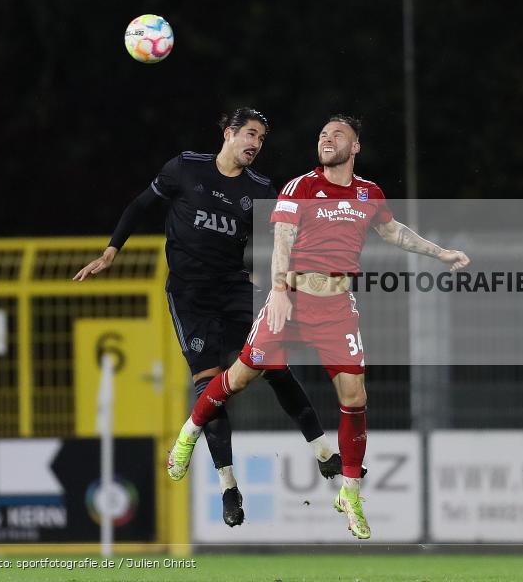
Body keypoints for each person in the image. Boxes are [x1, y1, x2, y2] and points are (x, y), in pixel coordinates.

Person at [164, 114, 470, 540]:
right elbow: (283, 240)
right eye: (323, 135)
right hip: (292, 298)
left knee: (356, 396)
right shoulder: (301, 187)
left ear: (355, 146)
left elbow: (394, 232)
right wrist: (279, 291)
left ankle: (350, 493)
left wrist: (441, 253)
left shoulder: (369, 193)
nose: (327, 140)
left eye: (337, 135)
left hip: (338, 307)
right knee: (239, 376)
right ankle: (190, 432)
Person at [74, 108, 348, 528]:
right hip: (189, 297)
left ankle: (323, 452)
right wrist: (113, 249)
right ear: (228, 134)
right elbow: (141, 203)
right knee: (210, 385)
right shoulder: (185, 168)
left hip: (234, 291)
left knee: (271, 364)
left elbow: (286, 232)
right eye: (250, 134)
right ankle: (228, 487)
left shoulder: (260, 188)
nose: (255, 144)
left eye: (261, 139)